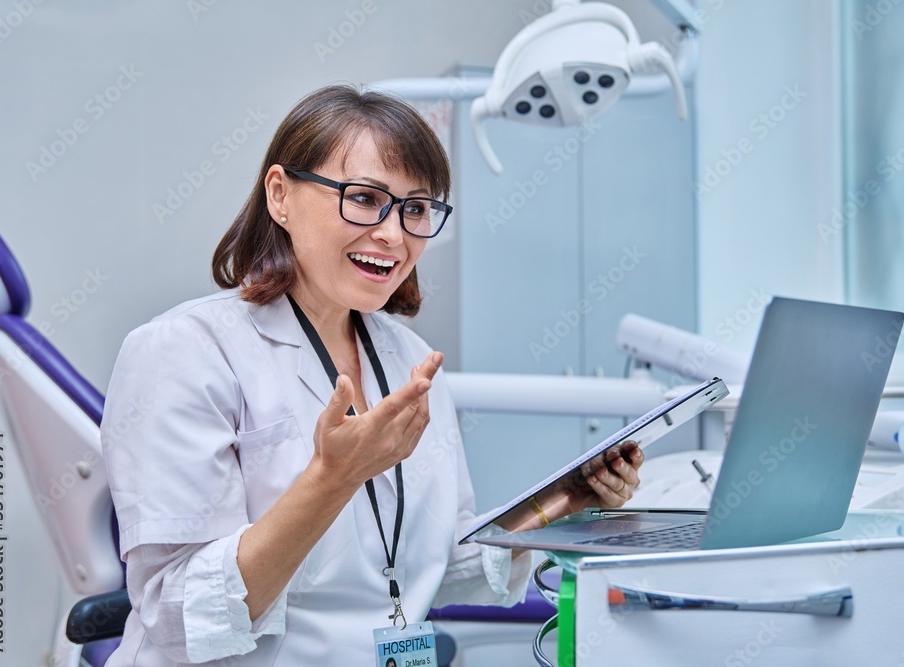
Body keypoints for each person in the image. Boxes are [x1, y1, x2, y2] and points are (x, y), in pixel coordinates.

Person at [100, 84, 644, 665]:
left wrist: (564, 504)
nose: (393, 233)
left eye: (415, 208)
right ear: (280, 195)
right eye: (363, 198)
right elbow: (177, 614)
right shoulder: (184, 351)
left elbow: (436, 567)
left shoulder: (409, 358)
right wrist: (332, 478)